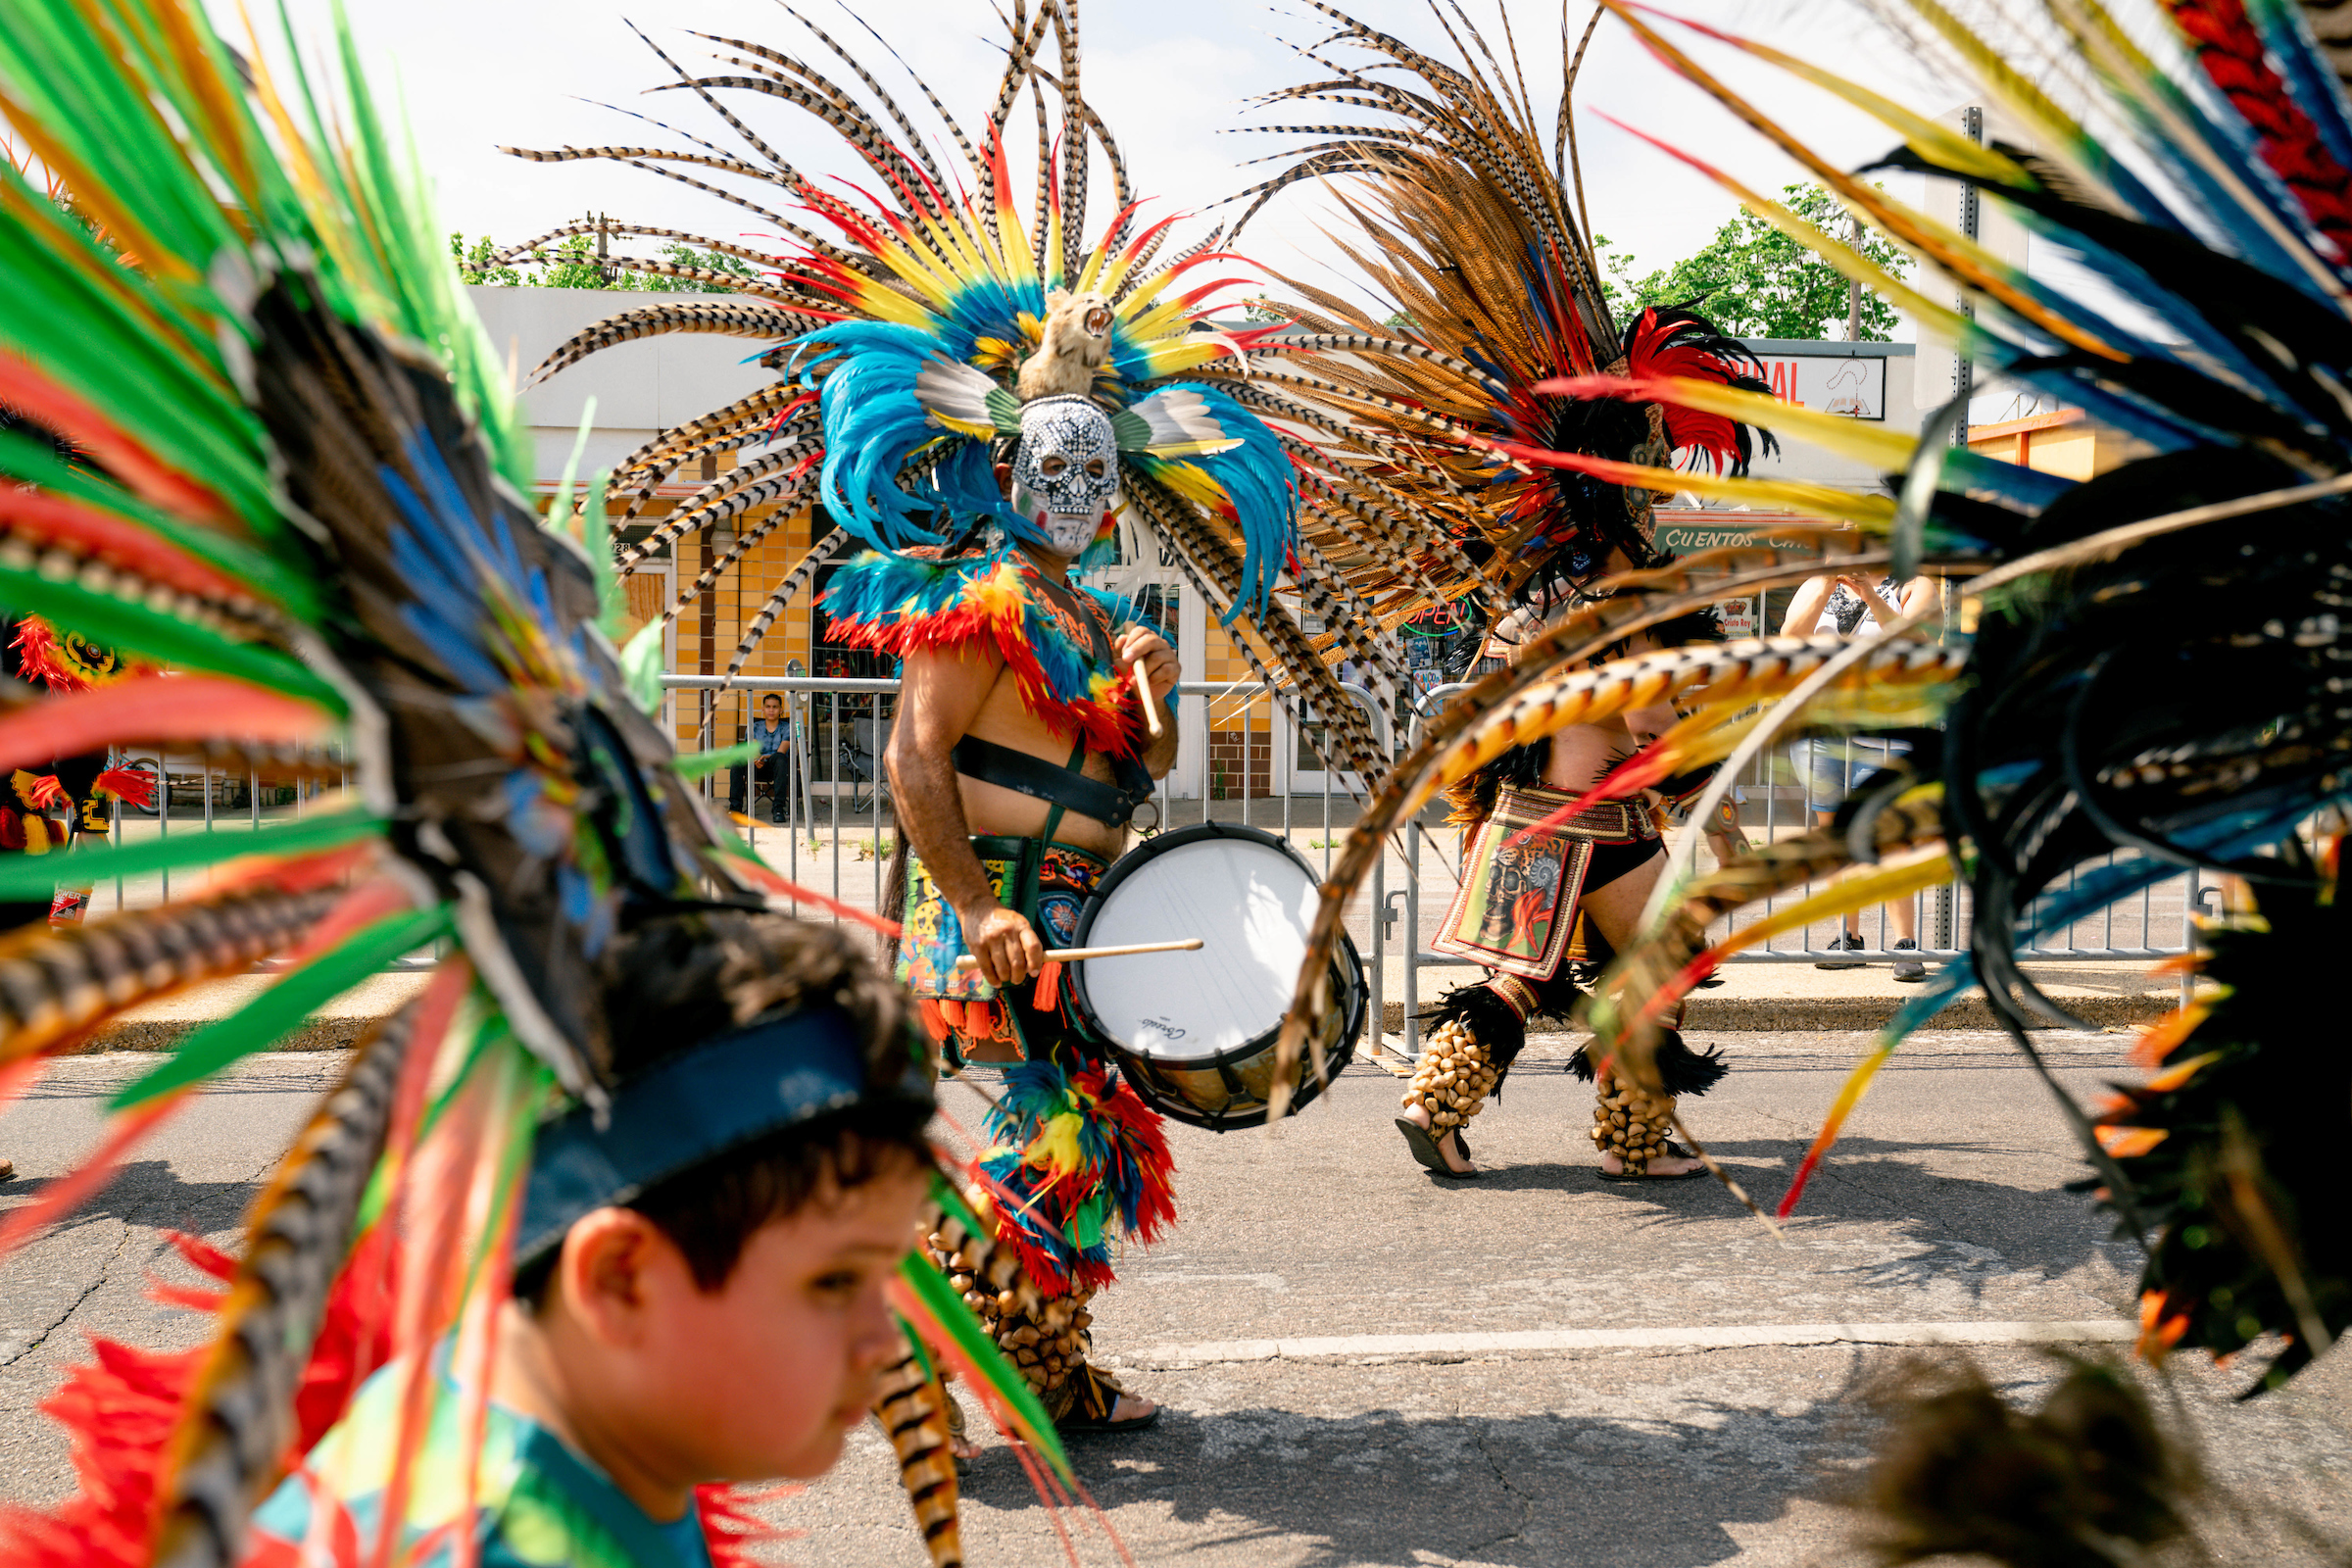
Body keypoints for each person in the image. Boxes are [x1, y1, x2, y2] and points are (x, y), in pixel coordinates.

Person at [825, 396, 1180, 1437]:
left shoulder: (1099, 620)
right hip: (1004, 907)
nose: (1077, 488)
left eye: (1096, 470)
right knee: (1049, 1138)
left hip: (1079, 912)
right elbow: (912, 758)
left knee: (1073, 1132)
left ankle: (1043, 1366)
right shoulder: (976, 601)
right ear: (1008, 465)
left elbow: (1145, 764)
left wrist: (1157, 686)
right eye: (1056, 463)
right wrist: (977, 907)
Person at [1780, 572, 1942, 982]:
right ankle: (1846, 938)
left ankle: (1905, 943)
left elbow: (1920, 642)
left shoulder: (1912, 585)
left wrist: (1871, 596)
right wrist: (1823, 585)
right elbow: (1789, 639)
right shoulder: (1819, 585)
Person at [726, 690, 793, 825]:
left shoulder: (787, 728)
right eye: (768, 706)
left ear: (781, 710)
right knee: (737, 761)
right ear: (763, 709)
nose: (771, 710)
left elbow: (782, 750)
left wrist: (763, 757)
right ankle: (735, 809)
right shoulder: (754, 727)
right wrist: (756, 759)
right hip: (755, 766)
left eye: (775, 707)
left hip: (776, 767)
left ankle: (778, 808)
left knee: (780, 758)